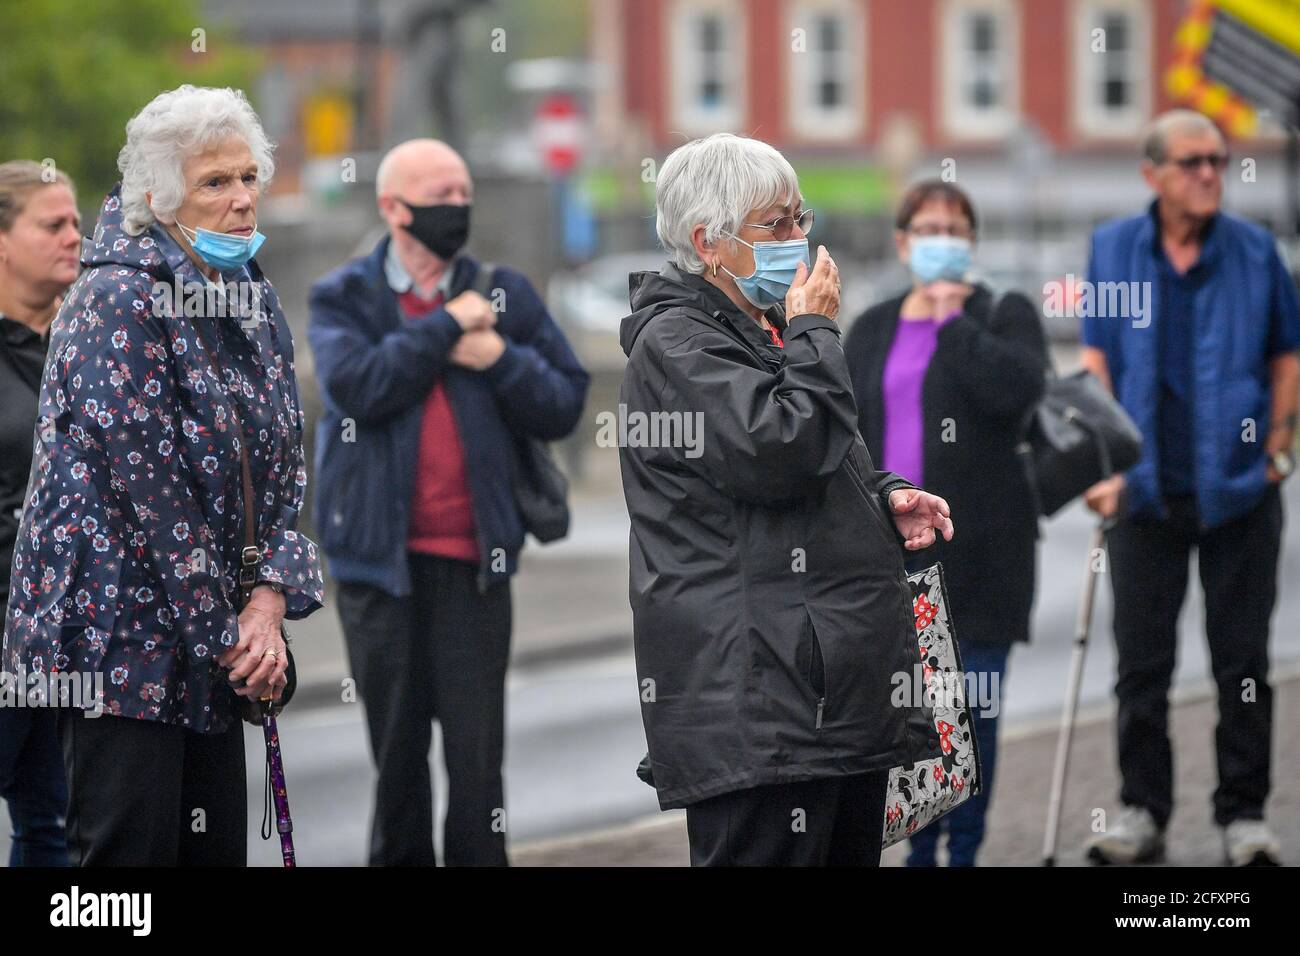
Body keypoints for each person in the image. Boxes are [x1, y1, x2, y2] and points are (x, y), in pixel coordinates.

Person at [2, 85, 324, 866]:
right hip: (120, 646)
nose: (242, 198)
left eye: (249, 176)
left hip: (215, 641)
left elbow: (285, 463)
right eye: (216, 182)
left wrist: (271, 600)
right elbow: (155, 499)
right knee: (123, 870)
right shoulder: (114, 298)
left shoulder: (248, 294)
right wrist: (240, 643)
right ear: (159, 194)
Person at [619, 133, 954, 867]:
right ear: (710, 242)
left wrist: (882, 496)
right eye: (776, 224)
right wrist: (814, 330)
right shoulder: (680, 342)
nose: (799, 239)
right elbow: (780, 454)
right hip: (763, 707)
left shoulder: (757, 329)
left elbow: (814, 465)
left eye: (800, 217)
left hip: (821, 699)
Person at [309, 138, 589, 867]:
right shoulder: (346, 295)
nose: (458, 209)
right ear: (394, 208)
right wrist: (445, 327)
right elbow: (359, 388)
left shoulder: (504, 293)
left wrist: (499, 357)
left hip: (476, 566)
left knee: (477, 766)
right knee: (396, 762)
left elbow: (564, 403)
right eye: (441, 198)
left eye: (465, 194)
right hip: (379, 572)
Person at [1081, 110, 1300, 866]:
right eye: (1192, 162)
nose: (1211, 173)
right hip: (1144, 494)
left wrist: (1277, 451)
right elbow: (1097, 360)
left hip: (1239, 494)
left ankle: (1244, 817)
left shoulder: (1255, 251)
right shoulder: (1111, 250)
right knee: (1141, 669)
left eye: (1218, 160)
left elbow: (1286, 357)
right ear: (1153, 175)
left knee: (1242, 666)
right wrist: (1105, 463)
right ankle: (1142, 811)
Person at [844, 180, 1048, 866]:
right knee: (910, 714)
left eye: (955, 230)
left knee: (973, 712)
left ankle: (963, 850)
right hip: (889, 554)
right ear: (903, 243)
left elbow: (1018, 392)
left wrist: (951, 321)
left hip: (982, 556)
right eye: (927, 230)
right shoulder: (873, 327)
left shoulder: (1001, 313)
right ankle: (916, 846)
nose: (941, 242)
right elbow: (843, 428)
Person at [0, 160, 82, 866]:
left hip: (66, 637)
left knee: (53, 830)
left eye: (77, 223)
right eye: (53, 224)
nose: (74, 237)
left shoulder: (90, 342)